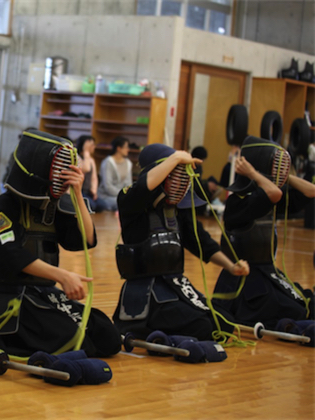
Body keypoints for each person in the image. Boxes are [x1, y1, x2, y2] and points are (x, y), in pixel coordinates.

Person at [0, 129, 121, 358]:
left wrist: (77, 193)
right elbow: (12, 254)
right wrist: (62, 276)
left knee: (108, 337)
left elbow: (86, 240)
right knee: (79, 343)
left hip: (45, 293)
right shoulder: (6, 205)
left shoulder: (54, 207)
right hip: (13, 297)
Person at [113, 143, 250, 341]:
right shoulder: (130, 201)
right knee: (203, 327)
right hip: (147, 293)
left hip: (174, 285)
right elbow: (144, 187)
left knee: (223, 321)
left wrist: (231, 266)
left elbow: (200, 241)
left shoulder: (178, 210)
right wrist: (176, 158)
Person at [212, 136, 315, 329]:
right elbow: (274, 194)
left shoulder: (270, 197)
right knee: (296, 311)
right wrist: (254, 173)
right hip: (245, 280)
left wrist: (283, 176)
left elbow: (311, 191)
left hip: (268, 273)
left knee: (306, 303)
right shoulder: (238, 202)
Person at [98, 136, 133, 211]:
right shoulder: (108, 162)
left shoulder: (128, 163)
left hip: (121, 195)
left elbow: (129, 184)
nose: (128, 149)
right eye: (126, 147)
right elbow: (108, 186)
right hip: (106, 196)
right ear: (119, 148)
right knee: (125, 203)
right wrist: (122, 195)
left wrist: (127, 195)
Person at [76, 135, 106, 212]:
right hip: (80, 190)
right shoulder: (77, 157)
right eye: (92, 145)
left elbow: (94, 178)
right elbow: (86, 168)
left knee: (102, 205)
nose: (94, 147)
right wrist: (86, 151)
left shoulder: (91, 160)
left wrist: (94, 191)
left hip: (88, 192)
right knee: (92, 206)